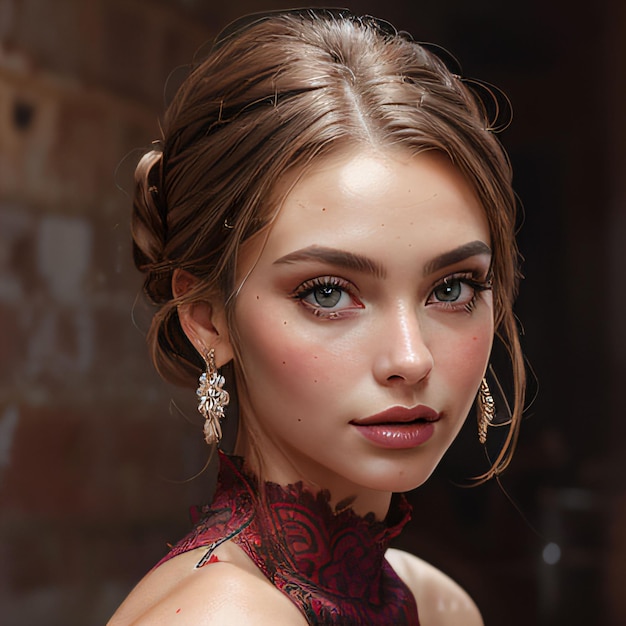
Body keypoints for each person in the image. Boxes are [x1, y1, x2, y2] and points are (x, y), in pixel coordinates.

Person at [108, 8, 525, 625]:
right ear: (207, 318)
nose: (411, 359)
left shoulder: (439, 606)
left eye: (452, 288)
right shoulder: (225, 618)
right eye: (328, 293)